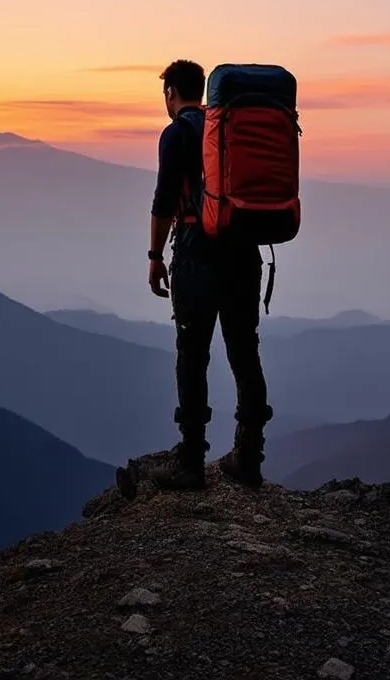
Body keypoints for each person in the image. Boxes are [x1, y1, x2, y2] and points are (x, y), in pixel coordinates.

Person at [148, 59, 274, 490]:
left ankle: (191, 461)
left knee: (193, 356)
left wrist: (153, 255)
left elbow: (164, 200)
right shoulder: (228, 128)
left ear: (171, 93)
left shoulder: (176, 133)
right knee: (244, 353)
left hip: (197, 256)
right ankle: (249, 456)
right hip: (244, 254)